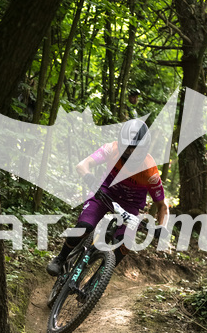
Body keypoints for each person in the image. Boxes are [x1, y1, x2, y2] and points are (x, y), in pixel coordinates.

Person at [47, 118, 169, 276]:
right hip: (105, 193)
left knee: (125, 244)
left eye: (136, 149)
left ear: (144, 149)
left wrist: (162, 227)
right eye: (127, 147)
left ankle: (100, 277)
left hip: (130, 206)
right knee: (84, 226)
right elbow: (82, 165)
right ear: (121, 143)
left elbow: (162, 206)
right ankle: (61, 258)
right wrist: (88, 177)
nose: (131, 152)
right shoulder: (112, 149)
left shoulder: (150, 172)